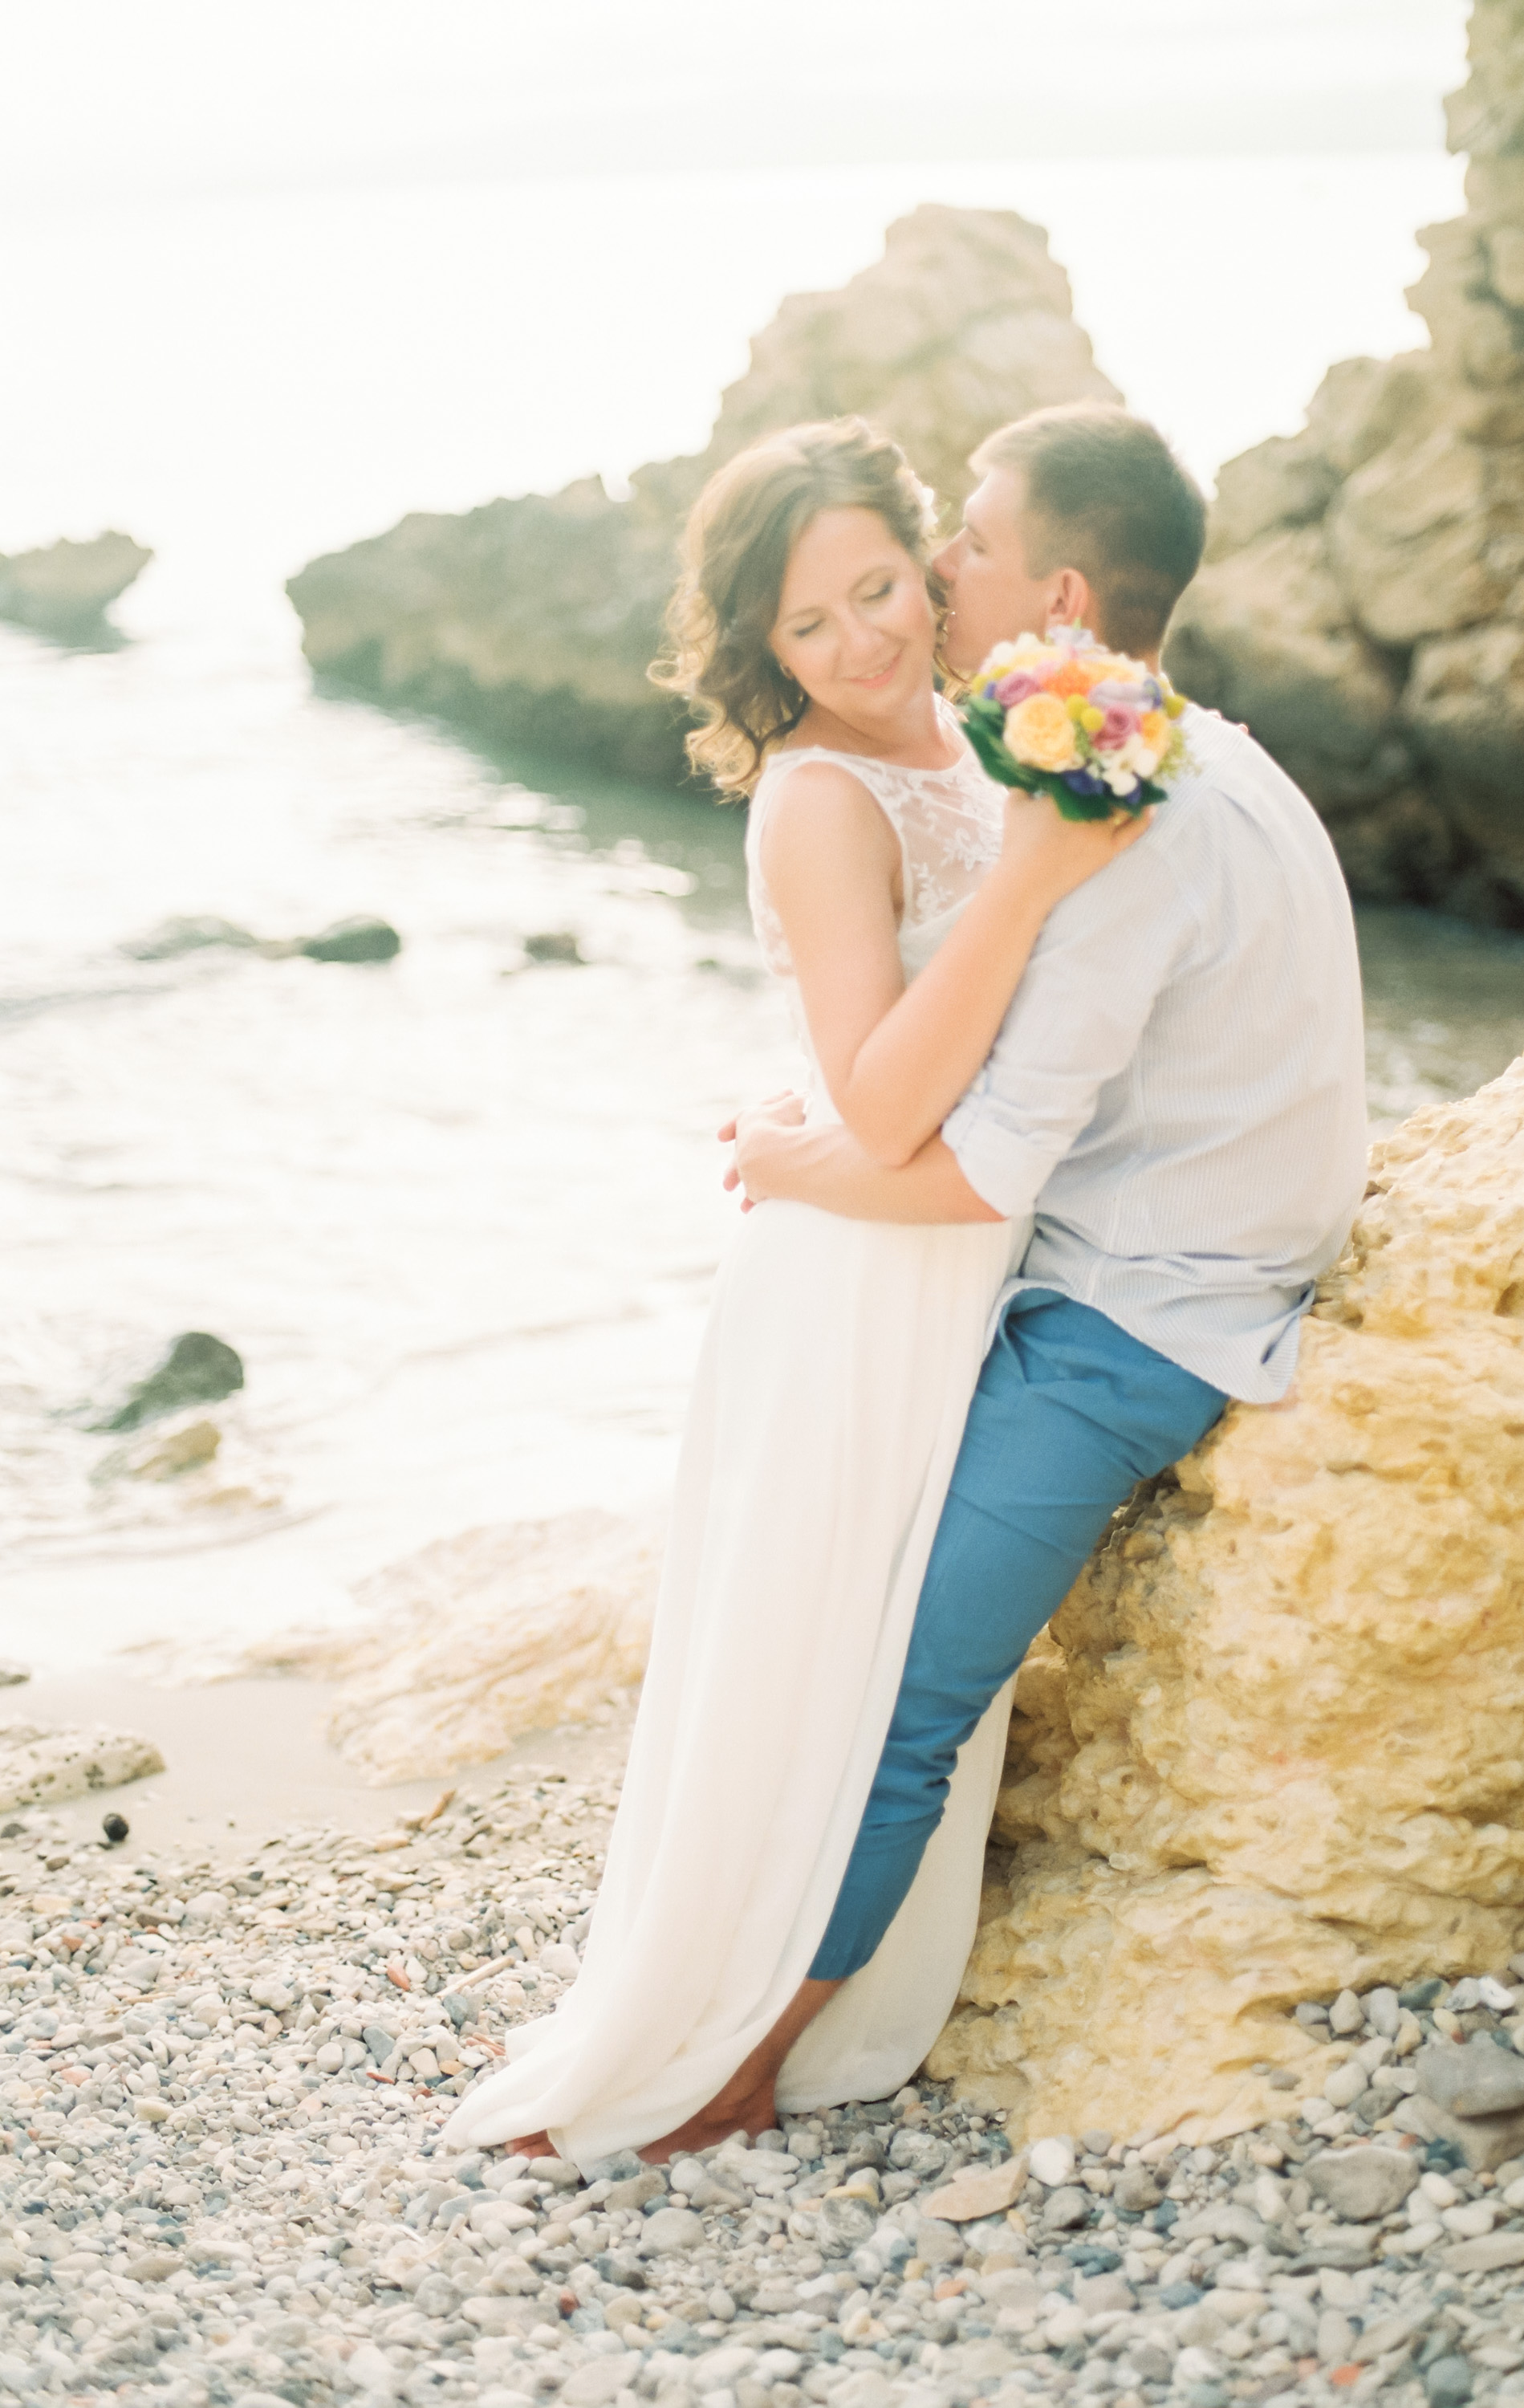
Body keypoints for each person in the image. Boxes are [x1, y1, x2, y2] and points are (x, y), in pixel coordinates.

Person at [439, 415, 1144, 2169]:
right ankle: (701, 2028)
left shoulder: (998, 736)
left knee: (904, 1662)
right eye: (807, 626)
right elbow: (887, 1096)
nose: (861, 644)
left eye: (878, 589)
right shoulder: (819, 806)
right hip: (859, 1274)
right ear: (757, 649)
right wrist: (1040, 874)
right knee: (808, 1656)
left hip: (968, 1256)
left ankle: (830, 1997)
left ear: (928, 565)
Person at [709, 399, 1369, 2127]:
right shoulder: (1201, 746)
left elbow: (977, 1164)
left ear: (1057, 591)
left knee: (898, 1682)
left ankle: (742, 2061)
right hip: (1191, 1243)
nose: (933, 573)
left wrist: (790, 1162)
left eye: (963, 547)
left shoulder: (1112, 835)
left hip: (1133, 1315)